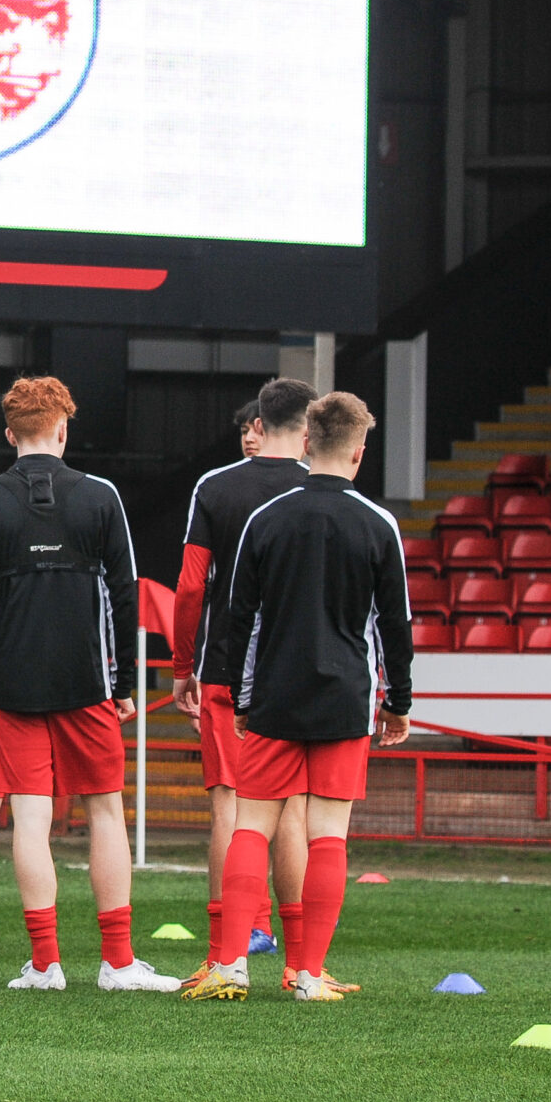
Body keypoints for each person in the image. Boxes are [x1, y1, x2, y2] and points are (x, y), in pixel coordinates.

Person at [0, 376, 178, 994]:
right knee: (105, 811)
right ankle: (118, 962)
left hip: (13, 682)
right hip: (89, 679)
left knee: (29, 817)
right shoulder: (101, 497)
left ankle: (47, 964)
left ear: (9, 435)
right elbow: (125, 594)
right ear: (62, 428)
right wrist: (125, 682)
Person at [192, 391, 412, 1004]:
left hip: (274, 699)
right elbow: (395, 625)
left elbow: (239, 617)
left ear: (307, 444)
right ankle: (308, 975)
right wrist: (399, 702)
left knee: (251, 826)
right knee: (328, 836)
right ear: (360, 453)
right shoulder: (379, 523)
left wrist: (237, 695)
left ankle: (231, 964)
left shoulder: (267, 520)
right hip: (344, 698)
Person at [170, 380, 321, 992]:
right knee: (292, 812)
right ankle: (301, 963)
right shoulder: (323, 489)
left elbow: (189, 586)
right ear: (307, 428)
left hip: (227, 669)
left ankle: (220, 956)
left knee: (230, 806)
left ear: (259, 422)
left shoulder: (217, 486)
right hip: (299, 671)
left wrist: (184, 666)